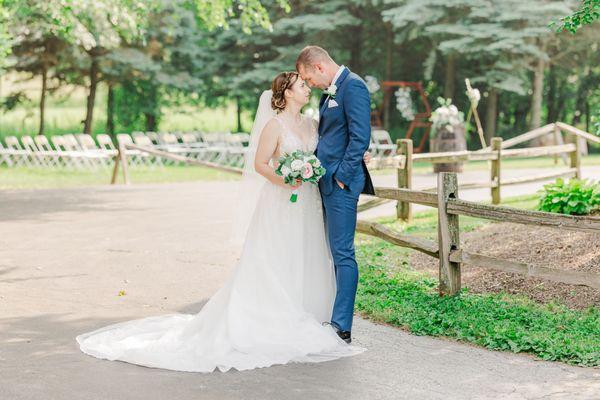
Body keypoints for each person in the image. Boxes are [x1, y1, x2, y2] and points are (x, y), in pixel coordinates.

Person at [76, 71, 366, 373]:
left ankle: (305, 310)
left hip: (308, 202)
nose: (308, 89)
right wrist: (286, 179)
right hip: (282, 201)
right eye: (302, 85)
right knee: (275, 255)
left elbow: (330, 148)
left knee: (305, 254)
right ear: (287, 93)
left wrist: (359, 157)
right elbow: (260, 164)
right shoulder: (274, 125)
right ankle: (270, 315)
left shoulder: (311, 123)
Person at [296, 45, 375, 344]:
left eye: (308, 78)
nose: (310, 84)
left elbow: (360, 136)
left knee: (343, 253)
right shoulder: (329, 92)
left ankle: (341, 326)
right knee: (331, 251)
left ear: (318, 67)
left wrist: (342, 176)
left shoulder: (353, 86)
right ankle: (330, 316)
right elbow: (331, 137)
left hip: (341, 184)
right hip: (324, 181)